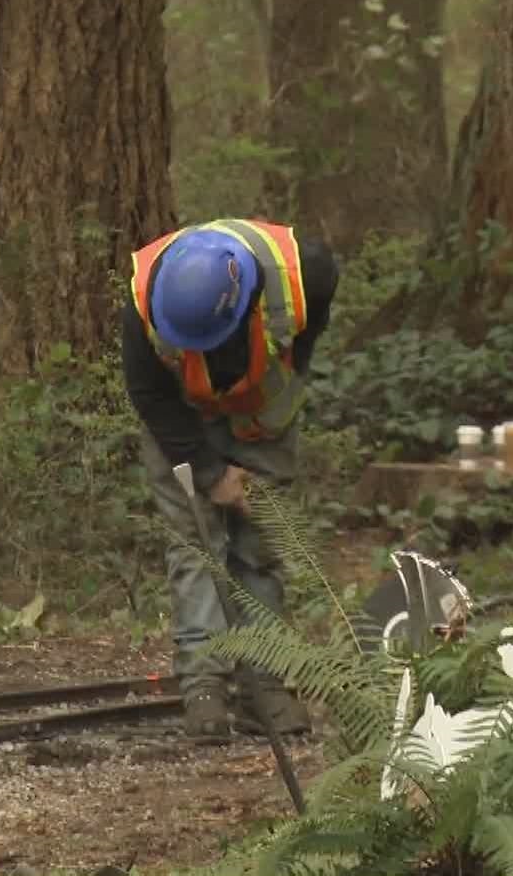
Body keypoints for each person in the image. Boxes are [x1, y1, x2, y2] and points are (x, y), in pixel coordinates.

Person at [120, 218, 339, 742]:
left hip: (264, 414)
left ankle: (265, 682)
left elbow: (310, 327)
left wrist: (286, 371)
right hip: (180, 417)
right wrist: (212, 474)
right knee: (195, 545)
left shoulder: (305, 271)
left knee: (261, 546)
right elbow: (150, 396)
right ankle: (203, 685)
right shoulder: (143, 301)